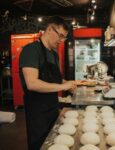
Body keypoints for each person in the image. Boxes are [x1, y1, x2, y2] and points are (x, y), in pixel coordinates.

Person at [19, 16, 76, 150]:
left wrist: (69, 83)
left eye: (64, 38)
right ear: (49, 29)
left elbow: (55, 79)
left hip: (52, 108)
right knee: (40, 145)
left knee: (54, 143)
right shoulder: (31, 50)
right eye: (60, 36)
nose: (61, 41)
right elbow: (32, 83)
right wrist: (63, 86)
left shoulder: (54, 54)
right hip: (37, 112)